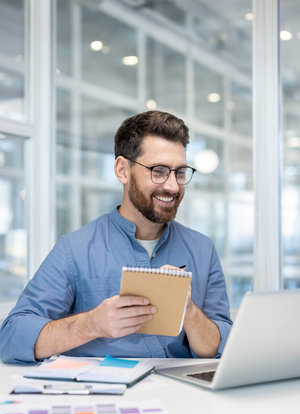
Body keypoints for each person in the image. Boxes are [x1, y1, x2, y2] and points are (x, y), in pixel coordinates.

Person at [0, 110, 232, 364]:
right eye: (158, 171)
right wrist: (92, 324)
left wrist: (189, 311)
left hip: (184, 397)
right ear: (122, 170)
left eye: (179, 172)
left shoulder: (202, 249)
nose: (173, 186)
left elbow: (222, 345)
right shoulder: (75, 250)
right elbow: (11, 337)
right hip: (105, 397)